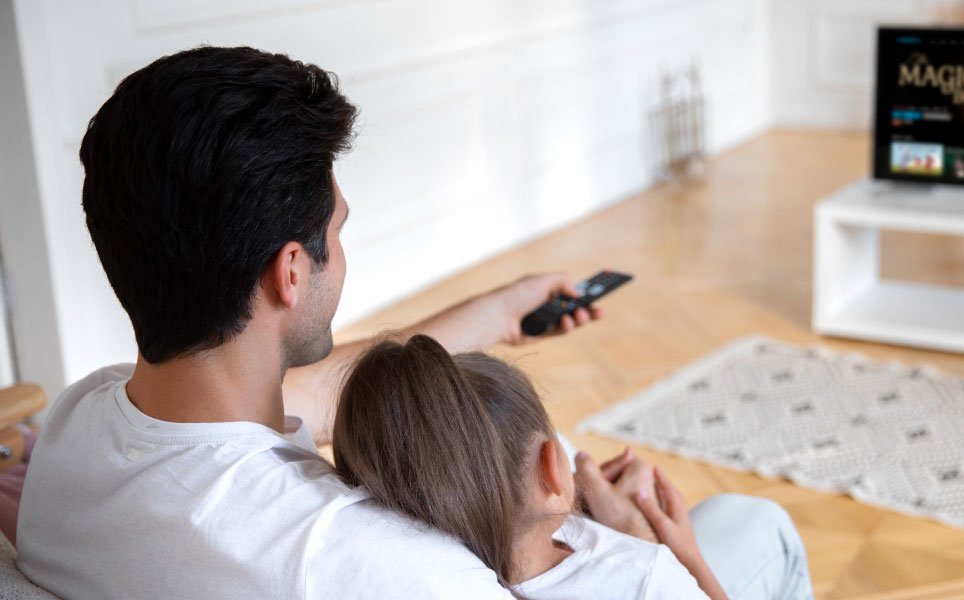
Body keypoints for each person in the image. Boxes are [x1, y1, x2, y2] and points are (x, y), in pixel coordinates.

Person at [15, 45, 811, 599]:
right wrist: (658, 552)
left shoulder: (81, 426)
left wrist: (498, 315)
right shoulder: (371, 564)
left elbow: (307, 392)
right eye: (337, 232)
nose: (342, 251)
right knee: (755, 524)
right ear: (291, 272)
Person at [333, 336, 725, 599]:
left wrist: (575, 506)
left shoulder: (428, 573)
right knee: (757, 517)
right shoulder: (646, 577)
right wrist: (683, 554)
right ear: (551, 467)